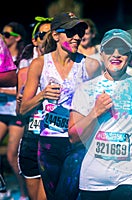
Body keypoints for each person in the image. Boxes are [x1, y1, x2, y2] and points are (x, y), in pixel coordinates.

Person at [68, 28, 132, 200]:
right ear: (101, 54)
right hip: (94, 177)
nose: (116, 55)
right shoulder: (86, 89)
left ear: (129, 56)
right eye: (110, 50)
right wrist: (95, 112)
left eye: (122, 51)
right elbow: (73, 137)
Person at [19, 12, 102, 200]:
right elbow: (23, 110)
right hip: (48, 143)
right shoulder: (40, 64)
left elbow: (101, 103)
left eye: (80, 31)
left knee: (68, 195)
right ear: (56, 35)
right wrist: (42, 95)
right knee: (52, 196)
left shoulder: (91, 65)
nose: (77, 37)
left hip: (77, 143)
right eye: (70, 32)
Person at [17, 16, 53, 200]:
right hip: (30, 139)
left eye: (51, 34)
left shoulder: (65, 69)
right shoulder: (23, 73)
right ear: (34, 40)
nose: (47, 38)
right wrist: (21, 103)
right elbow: (21, 114)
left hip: (53, 141)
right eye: (42, 35)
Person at [0, 34, 18, 199]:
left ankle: (24, 193)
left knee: (12, 155)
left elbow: (12, 78)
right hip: (2, 112)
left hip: (12, 112)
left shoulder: (22, 57)